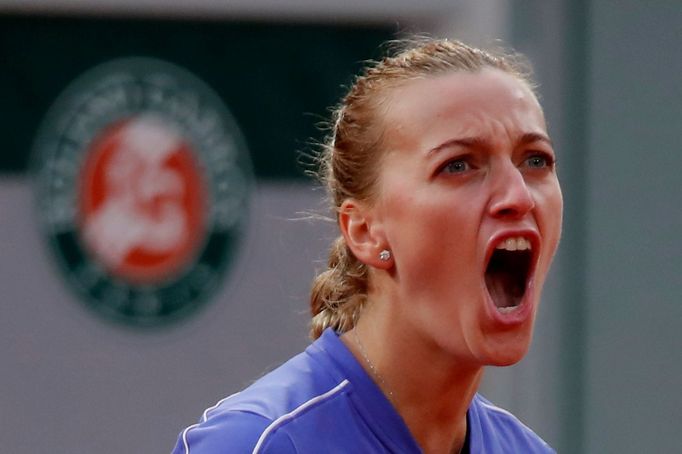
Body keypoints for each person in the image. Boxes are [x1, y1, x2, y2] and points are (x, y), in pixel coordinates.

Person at [172, 37, 562, 453]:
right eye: (458, 165)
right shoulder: (255, 443)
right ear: (364, 231)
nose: (518, 196)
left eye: (535, 160)